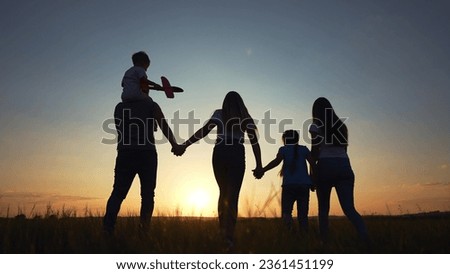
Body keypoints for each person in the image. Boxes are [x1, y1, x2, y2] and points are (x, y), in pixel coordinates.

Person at [181, 91, 262, 249]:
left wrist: (184, 145)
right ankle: (229, 237)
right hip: (236, 152)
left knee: (223, 192)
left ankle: (222, 233)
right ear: (241, 103)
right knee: (233, 196)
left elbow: (203, 131)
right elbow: (254, 143)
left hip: (220, 151)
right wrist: (259, 165)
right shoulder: (245, 117)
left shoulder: (219, 114)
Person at [103, 89, 184, 234]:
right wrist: (175, 145)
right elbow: (162, 126)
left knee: (118, 193)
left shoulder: (119, 107)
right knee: (147, 195)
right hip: (147, 154)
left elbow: (120, 130)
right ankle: (143, 233)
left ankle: (107, 231)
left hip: (125, 153)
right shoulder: (152, 105)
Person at [309, 97, 369, 244]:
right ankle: (366, 239)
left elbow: (314, 151)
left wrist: (312, 174)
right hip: (344, 166)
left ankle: (325, 243)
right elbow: (344, 150)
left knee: (323, 210)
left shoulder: (315, 126)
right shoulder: (341, 126)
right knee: (349, 209)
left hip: (325, 166)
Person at [253, 130, 314, 232]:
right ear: (297, 139)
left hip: (289, 185)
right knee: (303, 215)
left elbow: (276, 162)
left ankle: (288, 234)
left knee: (286, 213)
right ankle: (305, 238)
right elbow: (313, 165)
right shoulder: (304, 149)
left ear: (285, 140)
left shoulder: (284, 150)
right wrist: (313, 181)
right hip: (304, 185)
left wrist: (262, 170)